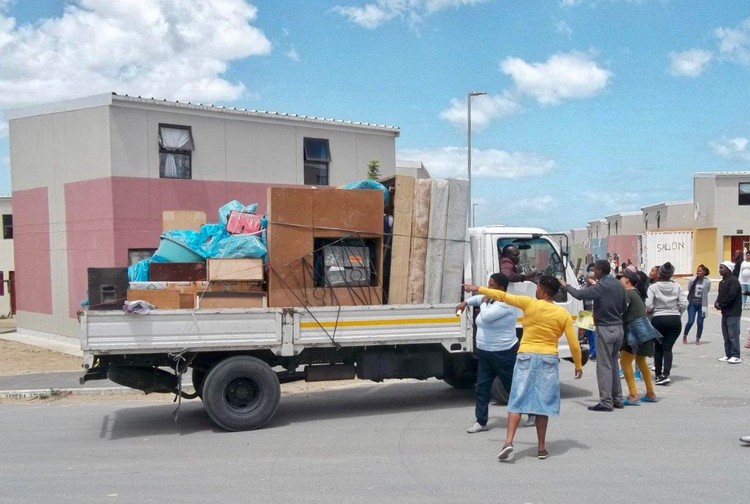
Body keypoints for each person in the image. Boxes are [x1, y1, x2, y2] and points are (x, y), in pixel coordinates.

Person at [463, 275, 583, 461]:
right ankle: (541, 448)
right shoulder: (563, 314)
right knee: (542, 405)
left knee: (517, 400)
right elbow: (574, 343)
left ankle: (508, 442)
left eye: (537, 287)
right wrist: (577, 364)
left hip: (526, 355)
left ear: (543, 291)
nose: (535, 290)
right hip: (548, 359)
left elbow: (502, 296)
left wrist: (477, 288)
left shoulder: (529, 304)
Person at [561, 259, 627, 412]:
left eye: (595, 270)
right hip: (618, 328)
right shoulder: (618, 284)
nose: (592, 272)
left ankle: (606, 402)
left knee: (603, 366)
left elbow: (579, 294)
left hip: (604, 328)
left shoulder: (601, 286)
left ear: (599, 271)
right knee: (613, 364)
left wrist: (566, 286)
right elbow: (624, 306)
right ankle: (618, 399)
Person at [456, 273, 518, 434]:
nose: (488, 288)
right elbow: (477, 299)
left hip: (503, 352)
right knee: (482, 387)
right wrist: (465, 303)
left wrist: (482, 303)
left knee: (512, 386)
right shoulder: (489, 298)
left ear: (501, 288)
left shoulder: (506, 302)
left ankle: (532, 413)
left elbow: (487, 316)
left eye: (491, 285)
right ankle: (481, 421)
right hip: (485, 352)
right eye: (488, 284)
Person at [617, 269, 658, 404]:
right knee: (641, 362)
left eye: (621, 278)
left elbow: (620, 311)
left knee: (624, 362)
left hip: (634, 333)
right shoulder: (637, 293)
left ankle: (633, 394)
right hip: (645, 331)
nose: (619, 280)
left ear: (627, 280)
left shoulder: (628, 293)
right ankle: (650, 393)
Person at [646, 262, 688, 385]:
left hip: (658, 319)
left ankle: (658, 374)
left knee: (658, 348)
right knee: (668, 348)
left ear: (659, 274)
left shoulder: (653, 287)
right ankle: (666, 373)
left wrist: (652, 311)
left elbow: (648, 304)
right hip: (674, 319)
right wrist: (678, 312)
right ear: (671, 275)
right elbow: (684, 303)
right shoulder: (677, 287)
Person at [716, 261, 743, 364]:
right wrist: (716, 303)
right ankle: (728, 354)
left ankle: (736, 355)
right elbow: (720, 296)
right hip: (725, 312)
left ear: (728, 269)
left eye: (722, 268)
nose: (720, 270)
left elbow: (730, 296)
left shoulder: (734, 281)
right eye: (719, 267)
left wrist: (721, 304)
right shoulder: (722, 282)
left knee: (733, 334)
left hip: (733, 312)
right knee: (726, 335)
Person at [683, 264, 711, 345]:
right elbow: (689, 289)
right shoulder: (692, 280)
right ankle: (685, 335)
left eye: (700, 271)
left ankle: (698, 338)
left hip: (702, 305)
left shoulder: (707, 281)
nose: (698, 272)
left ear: (704, 272)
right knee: (690, 321)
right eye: (697, 271)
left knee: (700, 322)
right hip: (692, 304)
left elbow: (707, 291)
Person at [581, 263, 597, 361]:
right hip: (586, 312)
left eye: (591, 278)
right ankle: (592, 352)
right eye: (588, 278)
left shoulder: (598, 287)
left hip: (594, 312)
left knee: (594, 335)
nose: (589, 280)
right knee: (589, 334)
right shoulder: (584, 288)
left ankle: (594, 353)